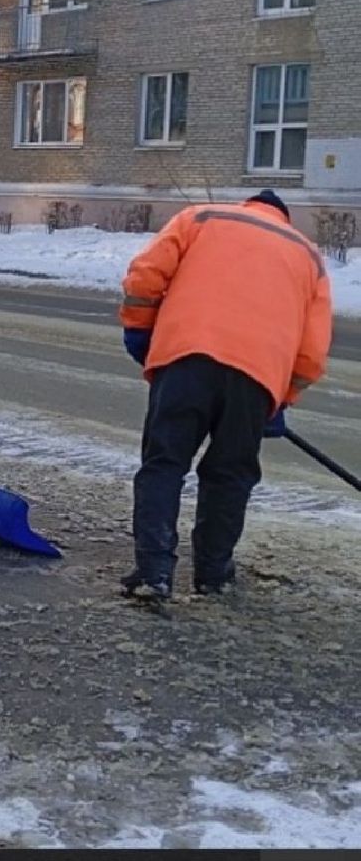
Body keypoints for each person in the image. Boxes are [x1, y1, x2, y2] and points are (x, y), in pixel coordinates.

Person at [118, 189, 332, 600]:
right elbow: (312, 351)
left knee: (164, 463)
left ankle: (153, 572)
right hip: (257, 378)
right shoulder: (308, 257)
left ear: (247, 205)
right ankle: (213, 575)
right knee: (230, 475)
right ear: (283, 218)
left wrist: (140, 328)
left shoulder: (201, 218)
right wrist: (280, 397)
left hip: (186, 358)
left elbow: (146, 275)